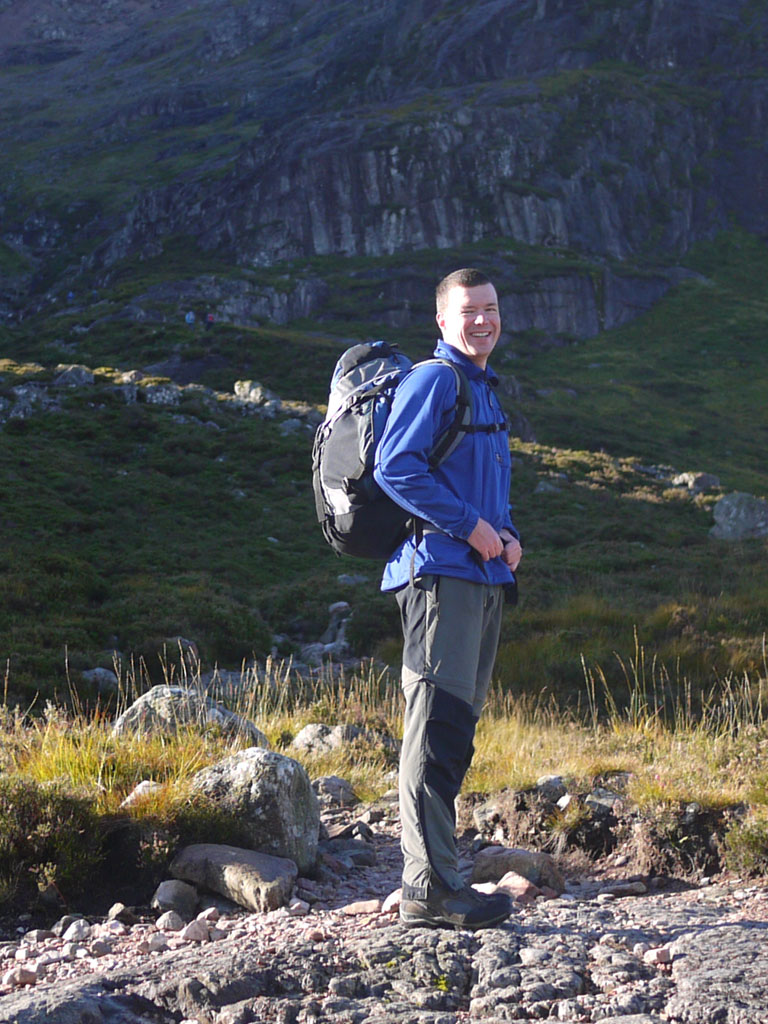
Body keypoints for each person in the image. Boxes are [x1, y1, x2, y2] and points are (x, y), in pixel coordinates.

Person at [373, 267, 523, 930]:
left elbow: (482, 485)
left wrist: (506, 533)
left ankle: (441, 878)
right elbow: (394, 465)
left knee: (454, 732)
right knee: (434, 731)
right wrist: (469, 527)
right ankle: (427, 889)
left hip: (480, 579)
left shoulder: (483, 388)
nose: (483, 320)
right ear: (443, 320)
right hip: (439, 576)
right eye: (469, 311)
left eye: (490, 308)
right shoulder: (435, 379)